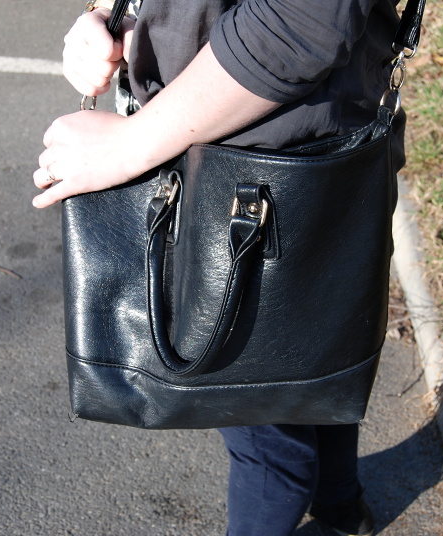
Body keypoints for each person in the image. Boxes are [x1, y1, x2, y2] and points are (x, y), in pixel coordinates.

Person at [33, 1, 405, 534]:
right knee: (320, 356)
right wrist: (106, 13)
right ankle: (343, 507)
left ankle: (338, 505)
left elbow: (303, 20)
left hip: (253, 159)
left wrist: (130, 145)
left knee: (270, 448)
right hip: (309, 148)